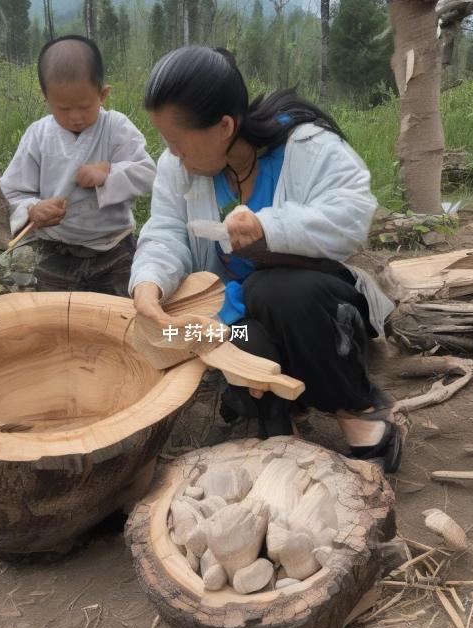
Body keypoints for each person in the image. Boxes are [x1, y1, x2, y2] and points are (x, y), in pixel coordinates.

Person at [129, 46, 401, 473]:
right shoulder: (178, 167)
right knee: (242, 344)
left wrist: (269, 225)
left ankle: (357, 409)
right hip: (237, 306)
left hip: (315, 299)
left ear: (223, 127)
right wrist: (149, 281)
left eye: (178, 143)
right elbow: (165, 232)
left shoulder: (305, 146)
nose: (173, 154)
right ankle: (281, 430)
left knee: (274, 289)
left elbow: (352, 215)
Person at [0, 35, 156, 296]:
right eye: (63, 108)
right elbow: (11, 191)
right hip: (54, 247)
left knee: (123, 307)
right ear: (45, 97)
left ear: (103, 94)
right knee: (58, 312)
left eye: (85, 106)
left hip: (113, 246)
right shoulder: (38, 135)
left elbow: (147, 174)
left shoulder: (116, 128)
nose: (75, 117)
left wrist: (108, 174)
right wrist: (33, 210)